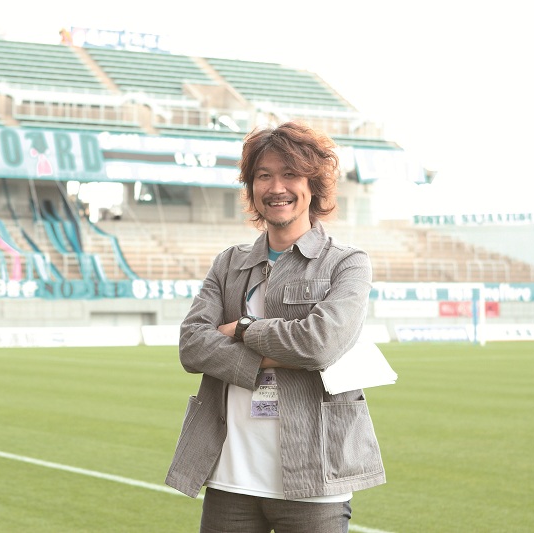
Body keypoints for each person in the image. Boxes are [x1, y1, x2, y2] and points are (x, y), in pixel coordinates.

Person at [165, 121, 386, 532]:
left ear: (313, 184)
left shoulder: (347, 262)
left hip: (314, 479)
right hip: (230, 477)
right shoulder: (228, 263)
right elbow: (192, 346)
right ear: (251, 187)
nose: (276, 187)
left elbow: (319, 345)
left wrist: (242, 329)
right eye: (264, 176)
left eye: (289, 174)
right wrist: (279, 355)